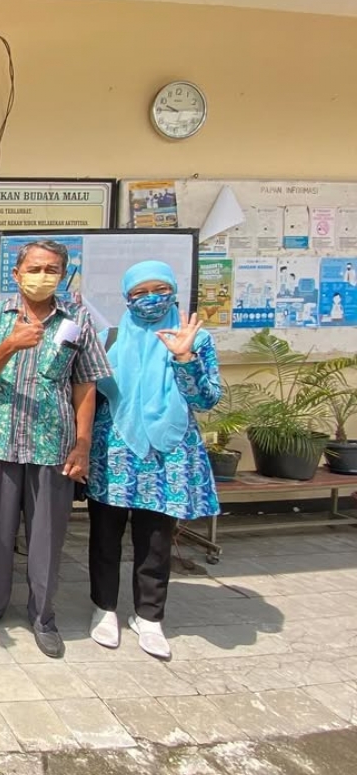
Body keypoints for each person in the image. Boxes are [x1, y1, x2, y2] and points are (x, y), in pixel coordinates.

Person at [0, 240, 111, 659]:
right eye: (34, 268)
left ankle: (43, 615)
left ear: (62, 275)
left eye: (51, 270)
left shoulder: (77, 318)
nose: (42, 276)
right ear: (16, 273)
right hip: (0, 443)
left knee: (46, 537)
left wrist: (83, 443)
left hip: (53, 446)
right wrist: (10, 345)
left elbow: (85, 385)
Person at [86, 261, 221, 660]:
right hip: (115, 452)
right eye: (139, 293)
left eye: (159, 290)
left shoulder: (196, 339)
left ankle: (149, 616)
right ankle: (104, 608)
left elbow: (206, 399)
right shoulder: (109, 339)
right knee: (105, 535)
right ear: (127, 298)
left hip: (168, 452)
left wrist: (184, 358)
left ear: (173, 292)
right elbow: (91, 394)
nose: (150, 299)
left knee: (156, 539)